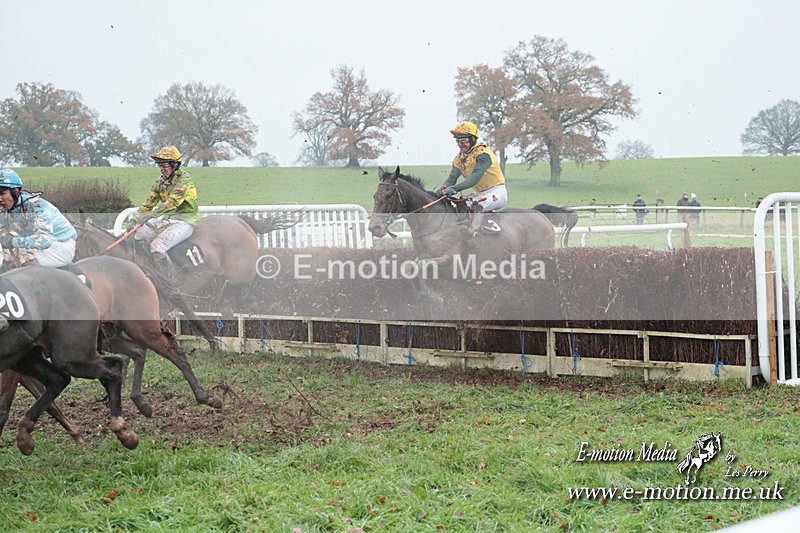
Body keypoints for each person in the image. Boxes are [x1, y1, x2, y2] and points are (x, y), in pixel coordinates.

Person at [128, 145, 200, 275]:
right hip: (167, 220)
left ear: (174, 165)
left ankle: (169, 278)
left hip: (185, 221)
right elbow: (148, 203)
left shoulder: (184, 180)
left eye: (165, 165)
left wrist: (151, 215)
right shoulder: (159, 182)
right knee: (137, 235)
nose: (162, 169)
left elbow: (172, 203)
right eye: (159, 165)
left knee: (157, 247)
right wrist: (135, 219)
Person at [434, 121, 507, 236]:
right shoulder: (458, 159)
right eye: (458, 140)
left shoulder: (483, 154)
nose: (460, 144)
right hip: (480, 193)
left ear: (473, 139)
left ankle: (472, 233)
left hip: (497, 192)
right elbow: (451, 179)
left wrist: (455, 189)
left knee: (477, 205)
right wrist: (439, 192)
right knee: (459, 205)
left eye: (463, 140)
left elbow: (475, 177)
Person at [0, 169, 77, 269]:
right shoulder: (5, 208)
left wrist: (12, 241)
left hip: (59, 246)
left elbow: (44, 240)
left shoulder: (37, 206)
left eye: (2, 194)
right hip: (36, 247)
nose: (0, 199)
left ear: (16, 190)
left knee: (22, 259)